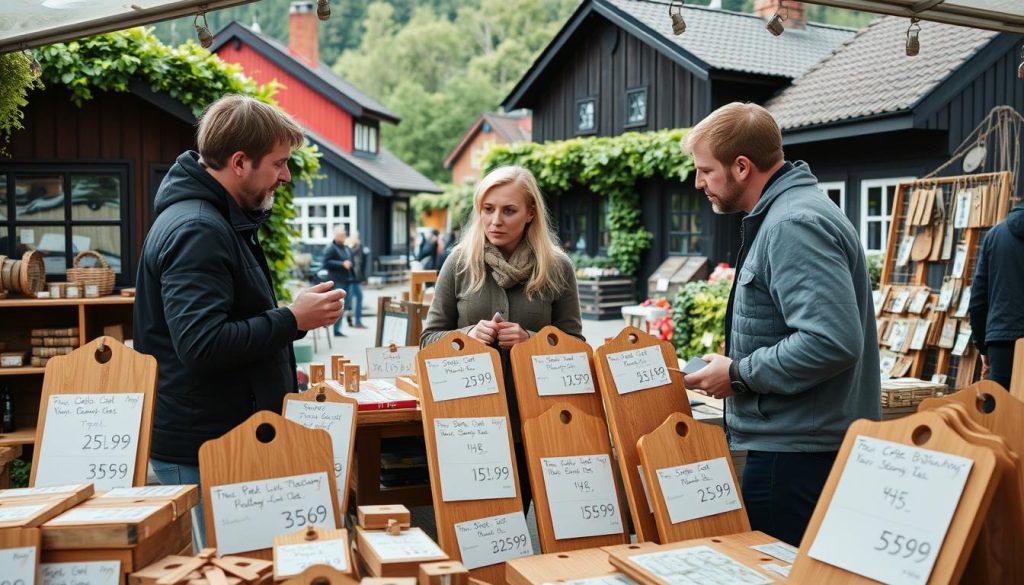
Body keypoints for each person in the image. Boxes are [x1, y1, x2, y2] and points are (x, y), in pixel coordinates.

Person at [134, 94, 345, 546]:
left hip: (221, 436)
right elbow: (202, 344)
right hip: (208, 445)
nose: (286, 175)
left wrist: (289, 324)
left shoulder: (216, 220)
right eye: (279, 163)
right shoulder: (198, 229)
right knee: (231, 569)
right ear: (239, 162)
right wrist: (291, 318)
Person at [681, 102, 880, 546]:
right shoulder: (792, 212)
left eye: (706, 171)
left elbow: (830, 340)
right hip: (805, 445)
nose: (699, 183)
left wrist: (736, 373)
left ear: (741, 166)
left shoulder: (792, 222)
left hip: (797, 459)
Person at [420, 166, 583, 513]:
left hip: (534, 418)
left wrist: (532, 340)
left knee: (524, 519)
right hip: (468, 416)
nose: (495, 220)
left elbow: (577, 348)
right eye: (487, 208)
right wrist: (466, 336)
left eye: (508, 210)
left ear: (530, 213)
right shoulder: (459, 263)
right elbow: (427, 340)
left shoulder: (557, 267)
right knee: (475, 519)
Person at [969, 202, 1024, 390]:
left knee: (999, 411)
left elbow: (978, 298)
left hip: (1003, 339)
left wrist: (983, 345)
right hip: (1002, 334)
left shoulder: (995, 235)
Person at [322, 226, 354, 336]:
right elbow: (325, 263)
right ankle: (336, 330)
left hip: (348, 279)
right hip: (338, 280)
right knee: (339, 305)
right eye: (341, 235)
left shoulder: (346, 247)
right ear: (335, 236)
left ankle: (338, 328)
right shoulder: (330, 248)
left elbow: (351, 261)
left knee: (347, 304)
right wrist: (342, 264)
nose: (343, 237)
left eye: (344, 235)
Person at [347, 230, 370, 329]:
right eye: (355, 236)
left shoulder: (359, 247)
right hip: (351, 278)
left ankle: (356, 320)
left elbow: (362, 264)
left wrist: (363, 277)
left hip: (356, 278)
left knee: (356, 298)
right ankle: (353, 318)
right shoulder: (349, 248)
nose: (357, 238)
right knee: (350, 300)